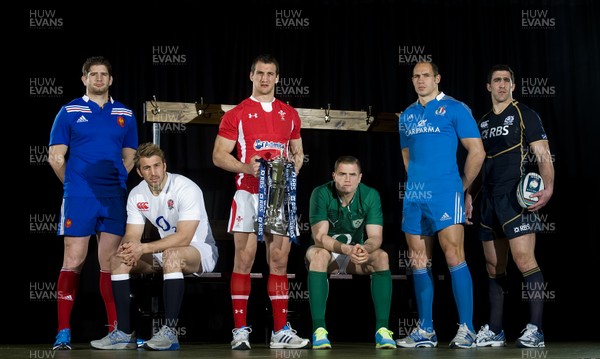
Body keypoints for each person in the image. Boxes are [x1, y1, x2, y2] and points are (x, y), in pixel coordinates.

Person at [212, 54, 310, 350]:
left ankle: (280, 330)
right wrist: (245, 167)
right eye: (260, 73)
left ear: (278, 78)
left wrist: (290, 173)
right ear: (251, 76)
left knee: (279, 261)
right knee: (244, 259)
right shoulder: (237, 113)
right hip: (248, 193)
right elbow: (218, 155)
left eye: (270, 74)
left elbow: (298, 153)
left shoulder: (289, 113)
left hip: (278, 196)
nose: (265, 78)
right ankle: (240, 330)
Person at [90, 142, 219, 351]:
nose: (154, 172)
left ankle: (170, 332)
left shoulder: (186, 188)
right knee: (117, 260)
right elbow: (132, 234)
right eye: (147, 168)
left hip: (200, 251)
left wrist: (143, 249)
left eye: (157, 166)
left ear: (165, 166)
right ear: (140, 172)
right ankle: (124, 333)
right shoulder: (137, 194)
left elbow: (184, 237)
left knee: (172, 255)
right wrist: (130, 249)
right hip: (166, 252)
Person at [48, 56, 138, 350]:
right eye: (93, 74)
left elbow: (130, 157)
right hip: (80, 198)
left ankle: (116, 331)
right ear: (84, 78)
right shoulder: (69, 111)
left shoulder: (125, 112)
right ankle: (63, 331)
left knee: (111, 263)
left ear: (111, 80)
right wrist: (74, 185)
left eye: (104, 74)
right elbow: (56, 156)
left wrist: (116, 183)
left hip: (112, 198)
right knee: (73, 260)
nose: (99, 79)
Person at [396, 61, 485, 349]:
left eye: (426, 76)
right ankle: (426, 329)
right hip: (414, 196)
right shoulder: (407, 115)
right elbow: (407, 157)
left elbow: (477, 151)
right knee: (419, 260)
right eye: (416, 77)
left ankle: (467, 329)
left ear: (437, 78)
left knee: (453, 255)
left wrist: (461, 186)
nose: (421, 81)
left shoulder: (456, 108)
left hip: (447, 192)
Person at [465, 64, 554, 348]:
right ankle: (495, 330)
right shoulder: (481, 122)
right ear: (488, 87)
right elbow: (477, 164)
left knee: (524, 260)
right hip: (487, 201)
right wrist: (469, 194)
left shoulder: (524, 114)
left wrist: (548, 187)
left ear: (513, 86)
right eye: (496, 81)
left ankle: (535, 330)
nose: (502, 85)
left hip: (515, 199)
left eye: (506, 80)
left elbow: (543, 154)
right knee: (493, 266)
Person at [306, 155, 397, 350]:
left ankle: (382, 331)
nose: (347, 179)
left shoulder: (370, 195)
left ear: (360, 177)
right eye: (342, 174)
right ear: (334, 175)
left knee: (381, 256)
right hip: (327, 252)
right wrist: (345, 249)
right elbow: (320, 238)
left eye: (352, 174)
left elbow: (375, 237)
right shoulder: (321, 193)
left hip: (354, 253)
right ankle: (319, 331)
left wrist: (366, 249)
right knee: (319, 255)